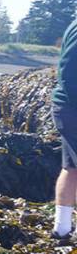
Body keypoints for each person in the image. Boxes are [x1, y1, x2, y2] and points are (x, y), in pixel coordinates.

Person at [53, 17, 77, 240]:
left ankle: (61, 229)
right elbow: (69, 72)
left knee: (71, 168)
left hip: (68, 109)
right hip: (72, 108)